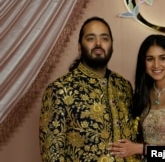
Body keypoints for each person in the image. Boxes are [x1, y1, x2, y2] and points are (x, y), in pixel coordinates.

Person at [39, 16, 141, 162]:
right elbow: (52, 155)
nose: (98, 44)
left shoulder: (123, 86)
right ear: (80, 46)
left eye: (104, 38)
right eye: (91, 38)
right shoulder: (60, 89)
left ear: (112, 45)